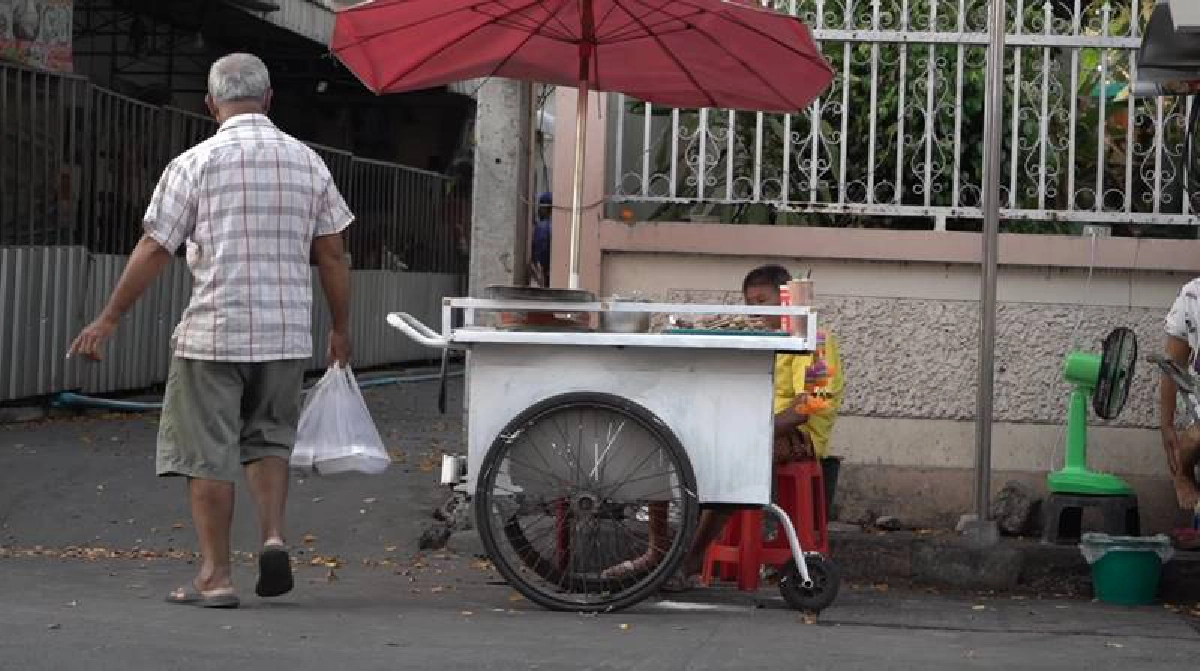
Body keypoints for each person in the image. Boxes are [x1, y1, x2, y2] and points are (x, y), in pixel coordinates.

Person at [68, 53, 354, 609]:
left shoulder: (194, 163)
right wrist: (341, 329)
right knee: (269, 440)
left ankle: (217, 576)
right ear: (269, 100)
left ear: (210, 103)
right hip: (286, 333)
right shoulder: (308, 163)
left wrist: (110, 318)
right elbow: (334, 252)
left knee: (207, 454)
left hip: (214, 333)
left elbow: (156, 246)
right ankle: (272, 536)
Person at [602, 264, 845, 589]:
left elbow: (810, 406)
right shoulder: (759, 340)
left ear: (787, 298)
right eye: (750, 304)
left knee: (734, 460)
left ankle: (690, 559)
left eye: (763, 301)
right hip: (749, 427)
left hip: (798, 436)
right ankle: (657, 553)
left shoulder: (814, 339)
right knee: (666, 445)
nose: (756, 311)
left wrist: (753, 429)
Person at [1161, 279, 1200, 511]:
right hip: (1198, 409)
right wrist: (1166, 424)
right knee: (1196, 436)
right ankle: (1183, 476)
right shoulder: (1193, 295)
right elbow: (1172, 365)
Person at [530, 192, 552, 287]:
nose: (539, 210)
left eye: (541, 207)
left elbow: (541, 252)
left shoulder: (542, 227)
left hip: (545, 272)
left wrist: (540, 268)